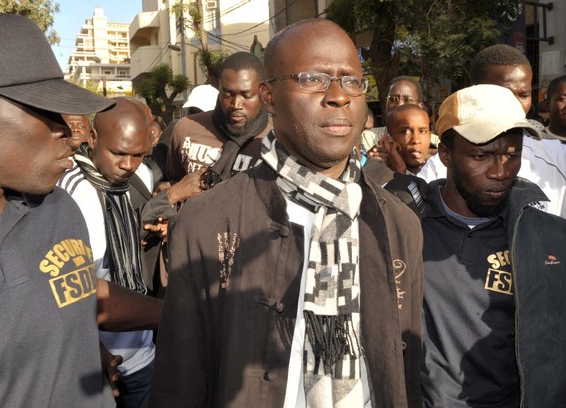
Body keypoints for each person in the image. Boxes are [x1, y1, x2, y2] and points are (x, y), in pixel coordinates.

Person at [150, 18, 423, 408]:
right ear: (269, 97)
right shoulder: (207, 222)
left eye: (351, 81)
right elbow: (180, 382)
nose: (338, 96)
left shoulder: (399, 224)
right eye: (313, 78)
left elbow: (405, 373)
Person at [0, 12, 162, 408]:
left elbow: (76, 289)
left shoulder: (56, 207)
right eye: (47, 112)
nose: (71, 130)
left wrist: (76, 343)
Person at [421, 84, 566, 407]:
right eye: (481, 156)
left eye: (512, 155)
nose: (500, 171)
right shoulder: (407, 227)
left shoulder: (551, 242)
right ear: (445, 155)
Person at [418, 44, 566, 236]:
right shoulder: (440, 168)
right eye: (481, 156)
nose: (513, 105)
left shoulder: (560, 159)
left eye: (523, 95)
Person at [58, 98, 156, 408]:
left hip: (141, 355)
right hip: (94, 364)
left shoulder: (124, 181)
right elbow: (61, 290)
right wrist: (92, 348)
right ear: (94, 138)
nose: (128, 165)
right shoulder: (67, 192)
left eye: (138, 155)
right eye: (119, 153)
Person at [167, 51, 273, 194]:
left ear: (263, 93)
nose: (236, 104)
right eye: (228, 94)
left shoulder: (278, 140)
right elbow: (172, 182)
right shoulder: (185, 128)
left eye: (246, 95)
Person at [385, 104, 432, 175]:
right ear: (389, 139)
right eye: (405, 132)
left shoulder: (441, 168)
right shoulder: (378, 174)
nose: (416, 140)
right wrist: (399, 171)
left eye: (422, 131)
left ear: (430, 136)